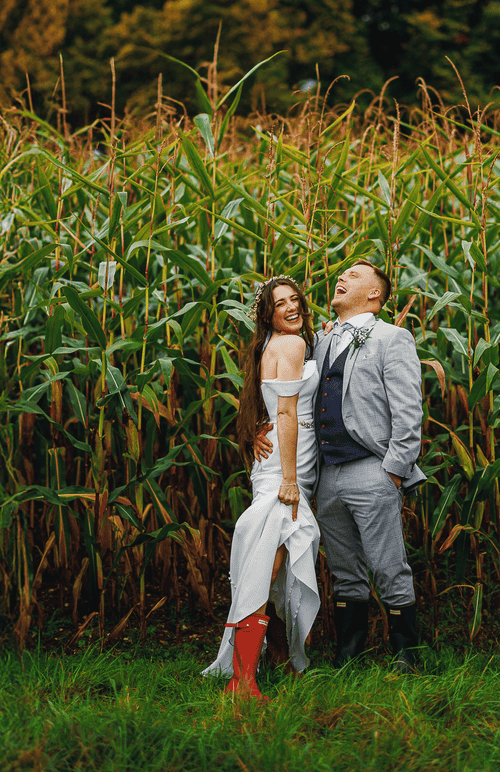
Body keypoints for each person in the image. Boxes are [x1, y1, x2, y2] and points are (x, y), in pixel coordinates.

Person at [257, 259, 427, 669]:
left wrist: (393, 471)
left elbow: (409, 413)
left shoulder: (393, 338)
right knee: (345, 569)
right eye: (341, 274)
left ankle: (407, 653)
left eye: (353, 275)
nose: (341, 278)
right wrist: (258, 429)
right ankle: (349, 652)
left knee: (389, 566)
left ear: (374, 294)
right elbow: (286, 396)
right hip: (327, 474)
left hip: (372, 468)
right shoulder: (321, 341)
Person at [202, 276, 321, 702]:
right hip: (284, 470)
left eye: (295, 300)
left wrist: (256, 433)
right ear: (267, 314)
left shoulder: (272, 344)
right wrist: (289, 480)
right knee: (268, 566)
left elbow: (263, 402)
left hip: (279, 463)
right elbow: (286, 412)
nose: (290, 308)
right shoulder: (291, 346)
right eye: (279, 304)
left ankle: (276, 661)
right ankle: (243, 680)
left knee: (275, 565)